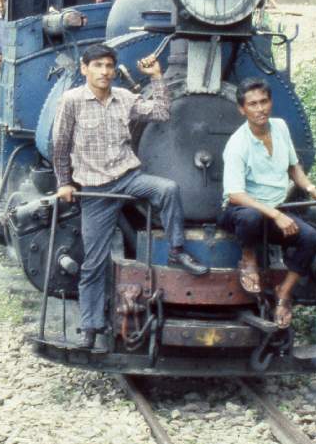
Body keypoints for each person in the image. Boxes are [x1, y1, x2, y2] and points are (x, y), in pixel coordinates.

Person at [52, 43, 208, 352]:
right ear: (85, 69)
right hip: (95, 189)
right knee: (93, 263)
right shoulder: (71, 101)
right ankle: (90, 327)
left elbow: (162, 112)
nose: (105, 71)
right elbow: (60, 145)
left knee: (168, 189)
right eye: (97, 65)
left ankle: (176, 250)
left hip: (128, 178)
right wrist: (64, 183)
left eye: (109, 66)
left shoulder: (124, 98)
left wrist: (157, 77)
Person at [220, 77, 316, 328]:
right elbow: (235, 195)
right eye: (252, 104)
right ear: (242, 109)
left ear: (271, 102)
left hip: (275, 209)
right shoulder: (237, 144)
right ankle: (248, 259)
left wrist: (313, 191)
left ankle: (284, 293)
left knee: (311, 238)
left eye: (264, 101)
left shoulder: (281, 127)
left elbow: (293, 166)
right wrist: (275, 215)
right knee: (250, 217)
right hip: (240, 211)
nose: (260, 108)